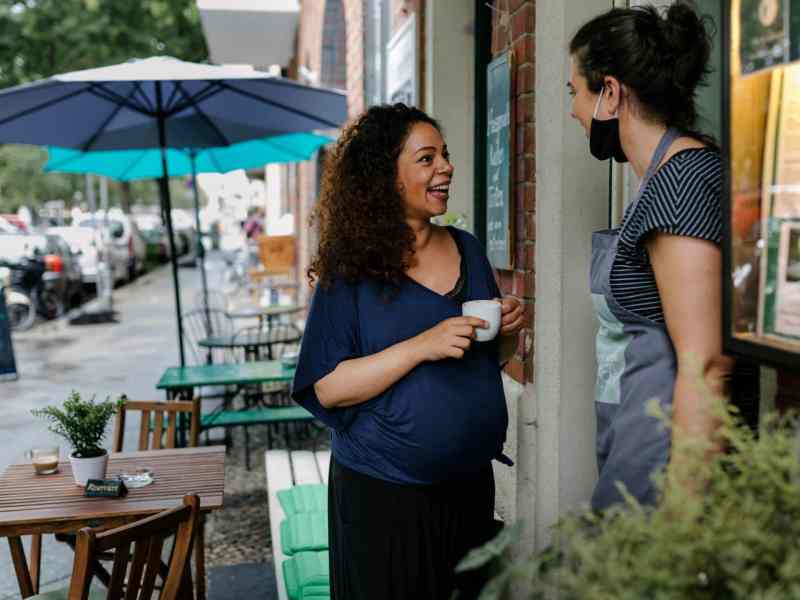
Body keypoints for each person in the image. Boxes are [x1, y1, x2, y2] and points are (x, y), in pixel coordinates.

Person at [291, 103, 523, 599]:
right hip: (383, 496)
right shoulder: (350, 271)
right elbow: (328, 386)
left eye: (445, 155)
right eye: (426, 158)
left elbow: (487, 358)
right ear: (385, 177)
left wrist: (508, 332)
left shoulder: (469, 249)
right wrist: (421, 346)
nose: (446, 167)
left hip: (468, 490)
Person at [568, 0, 734, 511]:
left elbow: (707, 365)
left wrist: (681, 524)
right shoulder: (659, 181)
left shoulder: (681, 181)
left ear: (611, 93)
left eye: (575, 91)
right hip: (636, 452)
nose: (573, 109)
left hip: (666, 477)